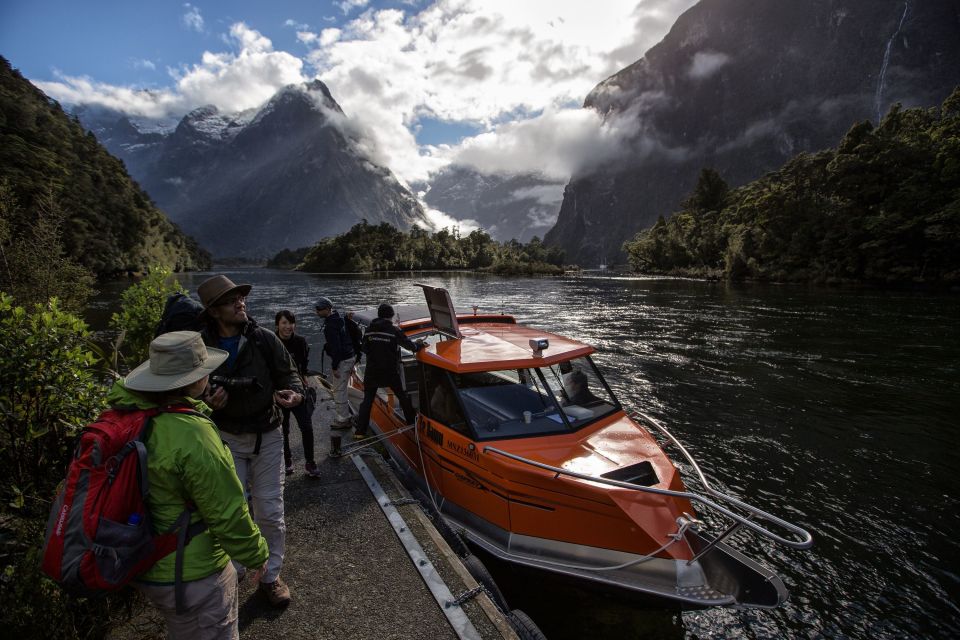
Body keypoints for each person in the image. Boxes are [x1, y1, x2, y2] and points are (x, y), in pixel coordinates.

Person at [117, 331, 269, 639]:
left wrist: (201, 409)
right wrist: (257, 555)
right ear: (197, 378)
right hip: (192, 571)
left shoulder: (131, 415)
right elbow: (226, 511)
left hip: (145, 562)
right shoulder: (194, 435)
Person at [197, 275, 304, 608]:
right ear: (214, 311)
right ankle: (238, 568)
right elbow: (187, 391)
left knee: (270, 511)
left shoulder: (264, 339)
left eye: (241, 298)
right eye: (232, 300)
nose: (241, 303)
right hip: (224, 436)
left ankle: (271, 576)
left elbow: (289, 374)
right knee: (233, 509)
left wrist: (295, 394)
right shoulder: (200, 346)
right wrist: (206, 401)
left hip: (268, 435)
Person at [355, 303, 423, 439]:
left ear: (378, 315)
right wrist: (419, 345)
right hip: (390, 370)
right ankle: (412, 424)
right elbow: (410, 346)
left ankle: (359, 432)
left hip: (372, 370)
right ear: (391, 316)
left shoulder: (369, 330)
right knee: (402, 396)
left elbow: (364, 348)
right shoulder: (394, 330)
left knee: (367, 400)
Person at [274, 310, 319, 478]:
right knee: (283, 429)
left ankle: (310, 462)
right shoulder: (272, 341)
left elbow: (303, 363)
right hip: (278, 391)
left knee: (306, 426)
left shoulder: (300, 341)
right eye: (284, 323)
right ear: (277, 324)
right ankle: (287, 460)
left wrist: (304, 377)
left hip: (298, 389)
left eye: (291, 323)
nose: (288, 326)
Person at [315, 296, 356, 429]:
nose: (317, 311)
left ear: (327, 309)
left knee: (338, 390)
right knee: (342, 388)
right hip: (351, 356)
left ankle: (343, 420)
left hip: (342, 360)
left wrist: (334, 367)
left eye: (319, 309)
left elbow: (336, 348)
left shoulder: (330, 326)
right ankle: (346, 416)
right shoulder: (340, 318)